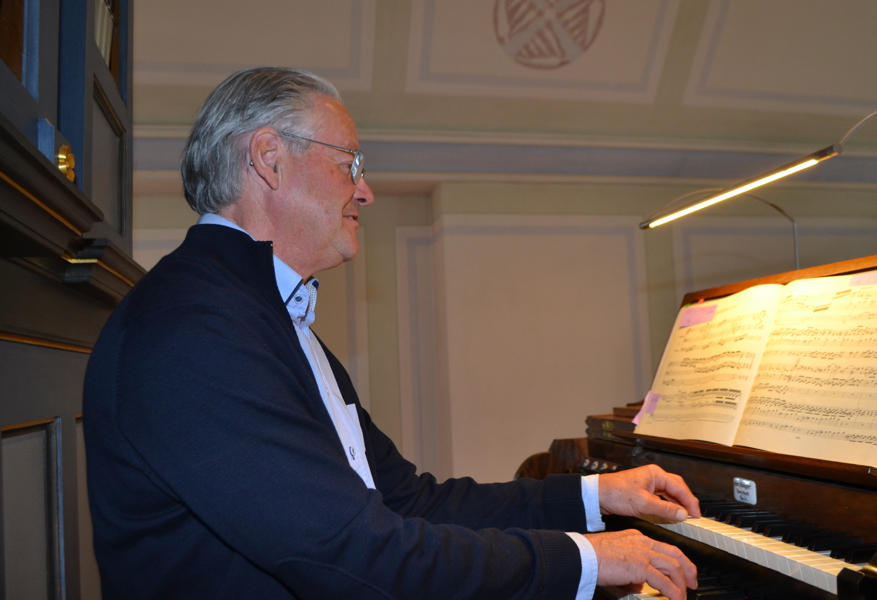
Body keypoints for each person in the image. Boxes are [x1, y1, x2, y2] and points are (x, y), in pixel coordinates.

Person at [83, 66, 701, 600]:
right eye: (350, 162)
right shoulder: (196, 328)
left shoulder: (268, 318)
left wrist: (596, 496)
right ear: (270, 159)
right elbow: (354, 557)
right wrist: (590, 560)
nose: (366, 190)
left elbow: (409, 502)